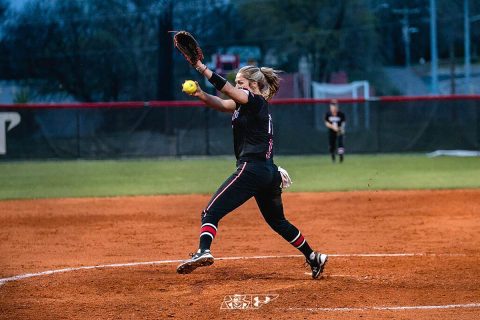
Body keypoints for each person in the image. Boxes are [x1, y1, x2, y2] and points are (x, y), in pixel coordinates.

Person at [175, 60, 328, 279]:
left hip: (251, 169)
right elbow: (221, 103)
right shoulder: (245, 105)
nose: (236, 86)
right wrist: (200, 93)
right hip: (268, 172)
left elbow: (225, 89)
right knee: (277, 221)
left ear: (253, 85)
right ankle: (313, 257)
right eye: (236, 83)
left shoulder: (254, 100)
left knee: (211, 212)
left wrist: (202, 69)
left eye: (240, 82)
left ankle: (203, 250)